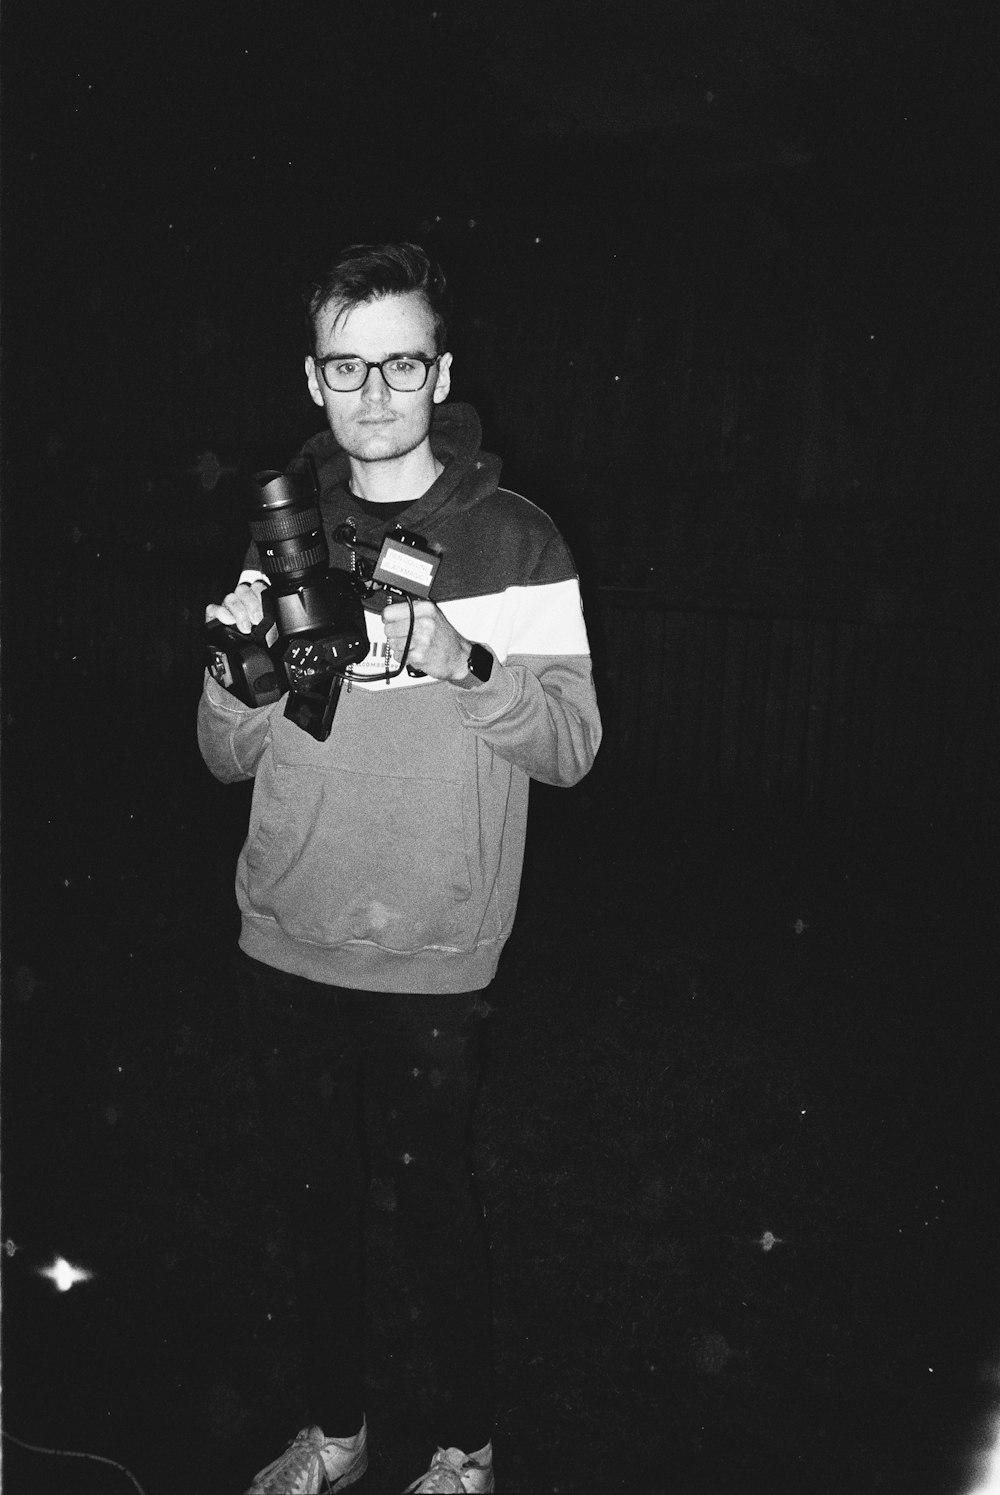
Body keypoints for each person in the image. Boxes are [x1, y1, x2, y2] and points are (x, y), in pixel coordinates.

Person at [197, 242, 602, 1494]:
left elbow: (573, 747)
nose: (374, 389)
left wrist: (466, 665)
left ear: (440, 372)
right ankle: (338, 1431)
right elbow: (222, 757)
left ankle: (465, 1448)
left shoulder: (518, 541)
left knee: (437, 1220)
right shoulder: (282, 532)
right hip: (289, 932)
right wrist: (234, 672)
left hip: (433, 948)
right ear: (313, 380)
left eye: (400, 361)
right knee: (315, 1210)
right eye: (346, 363)